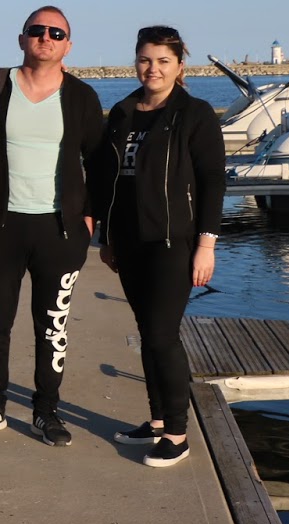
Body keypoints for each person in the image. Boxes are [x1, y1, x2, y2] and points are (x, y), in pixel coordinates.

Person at [0, 6, 104, 448]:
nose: (46, 38)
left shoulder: (81, 97)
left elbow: (99, 162)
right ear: (22, 38)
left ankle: (47, 412)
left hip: (59, 232)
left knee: (52, 328)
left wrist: (88, 218)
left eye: (56, 33)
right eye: (37, 30)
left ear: (68, 45)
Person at [91, 25, 225, 469]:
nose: (153, 69)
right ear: (136, 62)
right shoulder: (124, 112)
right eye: (146, 60)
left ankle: (177, 434)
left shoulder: (195, 114)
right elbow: (109, 180)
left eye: (163, 61)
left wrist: (206, 244)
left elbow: (212, 182)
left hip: (174, 240)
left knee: (163, 335)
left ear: (179, 66)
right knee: (147, 331)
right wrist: (107, 236)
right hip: (129, 240)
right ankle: (156, 420)